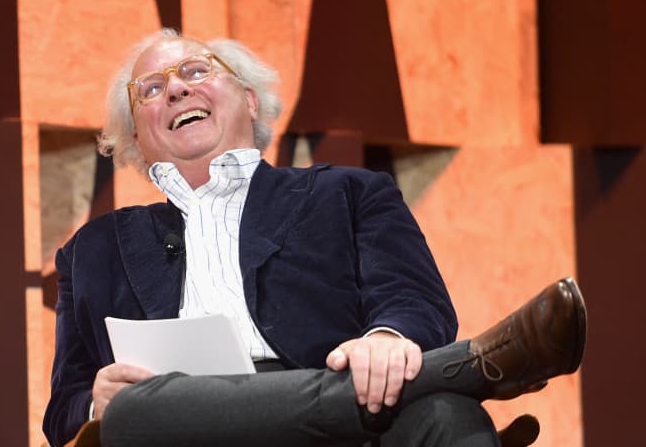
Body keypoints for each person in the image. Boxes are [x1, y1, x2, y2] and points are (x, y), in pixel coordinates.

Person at [42, 28, 587, 447]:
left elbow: (415, 301)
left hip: (339, 419)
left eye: (196, 71)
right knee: (135, 410)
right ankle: (469, 367)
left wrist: (387, 339)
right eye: (151, 90)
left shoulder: (350, 193)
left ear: (249, 100)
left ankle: (447, 384)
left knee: (449, 418)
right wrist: (94, 402)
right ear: (138, 135)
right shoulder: (94, 250)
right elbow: (62, 409)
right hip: (186, 423)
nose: (177, 88)